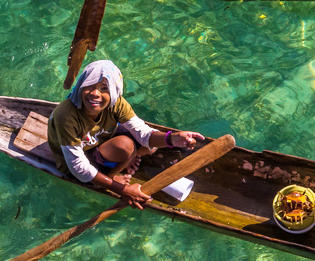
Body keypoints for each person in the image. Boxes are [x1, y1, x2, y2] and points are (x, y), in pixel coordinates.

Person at [46, 60, 204, 209]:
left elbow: (144, 133)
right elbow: (77, 167)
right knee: (126, 147)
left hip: (102, 141)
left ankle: (128, 158)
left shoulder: (116, 103)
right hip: (77, 160)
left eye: (104, 88)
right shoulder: (66, 116)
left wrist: (173, 138)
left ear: (114, 90)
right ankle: (111, 173)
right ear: (81, 86)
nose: (95, 93)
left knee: (151, 146)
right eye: (89, 86)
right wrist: (121, 189)